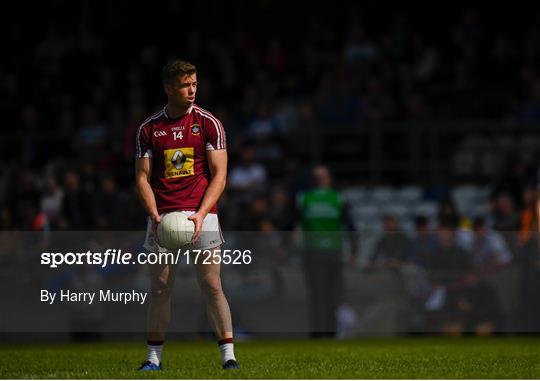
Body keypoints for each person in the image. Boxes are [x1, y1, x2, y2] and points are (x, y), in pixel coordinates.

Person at [134, 60, 238, 370]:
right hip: (163, 218)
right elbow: (142, 177)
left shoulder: (209, 123)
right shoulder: (149, 128)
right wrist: (153, 213)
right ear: (168, 88)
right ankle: (153, 360)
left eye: (194, 83)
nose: (191, 90)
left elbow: (220, 174)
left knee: (212, 285)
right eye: (184, 84)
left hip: (202, 215)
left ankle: (229, 358)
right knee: (160, 288)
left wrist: (202, 212)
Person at [297, 165, 357, 338]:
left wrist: (353, 249)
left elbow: (350, 225)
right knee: (317, 295)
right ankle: (318, 332)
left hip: (332, 253)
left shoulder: (338, 199)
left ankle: (330, 332)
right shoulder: (304, 199)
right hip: (312, 253)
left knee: (331, 295)